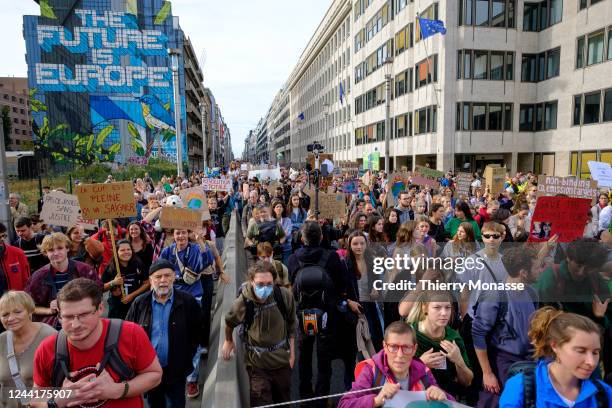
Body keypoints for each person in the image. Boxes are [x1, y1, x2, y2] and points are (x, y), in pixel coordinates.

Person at [32, 278, 162, 407]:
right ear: (59, 315)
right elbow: (34, 399)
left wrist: (117, 390)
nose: (75, 324)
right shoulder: (47, 348)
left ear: (100, 308)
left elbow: (154, 374)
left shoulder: (130, 333)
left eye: (84, 315)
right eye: (68, 316)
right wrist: (56, 401)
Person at [125, 260, 203, 408]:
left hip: (177, 370)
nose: (163, 280)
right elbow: (128, 334)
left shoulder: (187, 301)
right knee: (154, 404)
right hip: (149, 371)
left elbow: (198, 332)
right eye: (158, 277)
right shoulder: (140, 303)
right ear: (150, 280)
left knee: (176, 403)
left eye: (167, 276)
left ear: (174, 277)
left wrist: (187, 360)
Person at [500, 307, 612, 407]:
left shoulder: (604, 394)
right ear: (555, 346)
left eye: (595, 352)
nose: (591, 362)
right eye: (581, 351)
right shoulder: (520, 388)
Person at [471, 246, 540, 407]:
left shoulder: (532, 293)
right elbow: (478, 334)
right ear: (523, 272)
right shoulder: (496, 295)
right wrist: (487, 373)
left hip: (529, 361)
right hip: (503, 364)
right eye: (537, 267)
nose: (540, 271)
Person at [287, 221, 347, 405]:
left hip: (302, 314)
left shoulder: (293, 258)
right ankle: (322, 398)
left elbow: (291, 283)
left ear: (302, 238)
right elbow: (341, 284)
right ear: (321, 237)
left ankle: (305, 397)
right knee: (324, 358)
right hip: (327, 314)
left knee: (304, 356)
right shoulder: (331, 257)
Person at [222, 261, 296, 407]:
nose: (265, 288)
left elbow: (292, 325)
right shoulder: (243, 302)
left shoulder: (284, 296)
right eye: (260, 284)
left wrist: (292, 354)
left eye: (269, 284)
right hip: (257, 366)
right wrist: (228, 340)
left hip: (282, 362)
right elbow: (229, 322)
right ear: (251, 281)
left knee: (283, 401)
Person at [338, 321, 450, 407]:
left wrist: (443, 396)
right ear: (385, 347)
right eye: (393, 347)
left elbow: (451, 402)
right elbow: (344, 404)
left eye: (406, 347)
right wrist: (376, 400)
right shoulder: (371, 370)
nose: (400, 355)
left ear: (414, 349)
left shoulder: (423, 372)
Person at [158, 228, 214, 398]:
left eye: (183, 233)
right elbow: (158, 269)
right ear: (173, 235)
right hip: (172, 299)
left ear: (188, 234)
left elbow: (208, 260)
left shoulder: (196, 248)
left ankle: (192, 379)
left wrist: (201, 241)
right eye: (177, 233)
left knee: (192, 339)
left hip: (193, 298)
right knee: (171, 337)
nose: (180, 236)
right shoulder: (168, 250)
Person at [407, 291, 473, 400]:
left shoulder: (454, 338)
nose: (444, 313)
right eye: (437, 307)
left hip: (446, 399)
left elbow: (467, 382)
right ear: (425, 308)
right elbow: (393, 376)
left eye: (447, 308)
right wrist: (420, 364)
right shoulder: (410, 334)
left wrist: (458, 360)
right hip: (415, 397)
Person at [26, 233, 100, 329]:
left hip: (83, 324)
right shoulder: (38, 277)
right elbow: (28, 306)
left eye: (60, 248)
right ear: (45, 253)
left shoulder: (84, 270)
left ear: (67, 248)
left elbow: (98, 295)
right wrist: (49, 310)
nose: (56, 253)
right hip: (53, 328)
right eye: (51, 250)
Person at [534, 238, 611, 327]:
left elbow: (608, 318)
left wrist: (600, 317)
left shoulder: (596, 281)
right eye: (578, 266)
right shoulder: (550, 278)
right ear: (568, 258)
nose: (581, 272)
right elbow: (536, 316)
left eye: (588, 269)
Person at [0, 291, 55, 407]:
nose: (11, 318)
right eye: (5, 314)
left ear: (30, 311)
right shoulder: (1, 340)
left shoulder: (49, 337)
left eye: (17, 312)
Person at [102, 240, 149, 320]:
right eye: (122, 250)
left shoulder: (138, 264)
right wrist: (113, 282)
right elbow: (101, 288)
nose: (126, 252)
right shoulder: (111, 267)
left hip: (134, 306)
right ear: (117, 252)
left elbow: (147, 283)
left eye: (128, 249)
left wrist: (132, 295)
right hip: (116, 308)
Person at [0, 222, 30, 293]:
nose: (2, 239)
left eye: (3, 236)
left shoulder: (18, 253)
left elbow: (26, 280)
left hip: (16, 300)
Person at [272, 199, 293, 265]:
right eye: (277, 207)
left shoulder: (288, 220)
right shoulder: (271, 221)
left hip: (286, 249)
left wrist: (278, 238)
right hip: (274, 250)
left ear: (283, 209)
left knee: (286, 268)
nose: (279, 208)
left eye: (280, 207)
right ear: (274, 209)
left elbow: (287, 233)